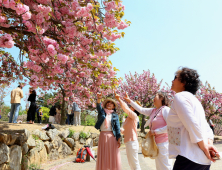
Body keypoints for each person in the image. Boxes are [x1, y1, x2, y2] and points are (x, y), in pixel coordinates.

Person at [167, 67, 219, 170]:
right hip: (202, 160)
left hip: (189, 157)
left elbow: (191, 123)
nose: (172, 81)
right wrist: (208, 146)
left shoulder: (180, 97)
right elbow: (207, 129)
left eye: (175, 77)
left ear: (184, 81)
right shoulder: (196, 102)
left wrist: (205, 147)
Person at [125, 91, 172, 170]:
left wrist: (156, 131)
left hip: (164, 144)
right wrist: (129, 100)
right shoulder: (154, 110)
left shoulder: (165, 110)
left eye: (155, 96)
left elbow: (171, 126)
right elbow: (141, 109)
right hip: (156, 144)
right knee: (160, 167)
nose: (153, 98)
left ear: (161, 98)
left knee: (166, 167)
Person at [115, 91, 141, 170]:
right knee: (131, 164)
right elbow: (125, 131)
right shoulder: (128, 118)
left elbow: (126, 108)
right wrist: (117, 127)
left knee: (134, 164)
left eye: (132, 105)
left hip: (132, 142)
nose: (130, 106)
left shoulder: (134, 116)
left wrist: (119, 99)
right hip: (128, 142)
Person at [95, 92, 121, 170]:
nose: (109, 104)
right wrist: (99, 98)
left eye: (111, 103)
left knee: (112, 155)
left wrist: (119, 139)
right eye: (108, 102)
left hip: (112, 137)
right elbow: (98, 106)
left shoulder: (115, 115)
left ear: (113, 106)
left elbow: (117, 128)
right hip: (102, 136)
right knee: (103, 156)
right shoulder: (102, 112)